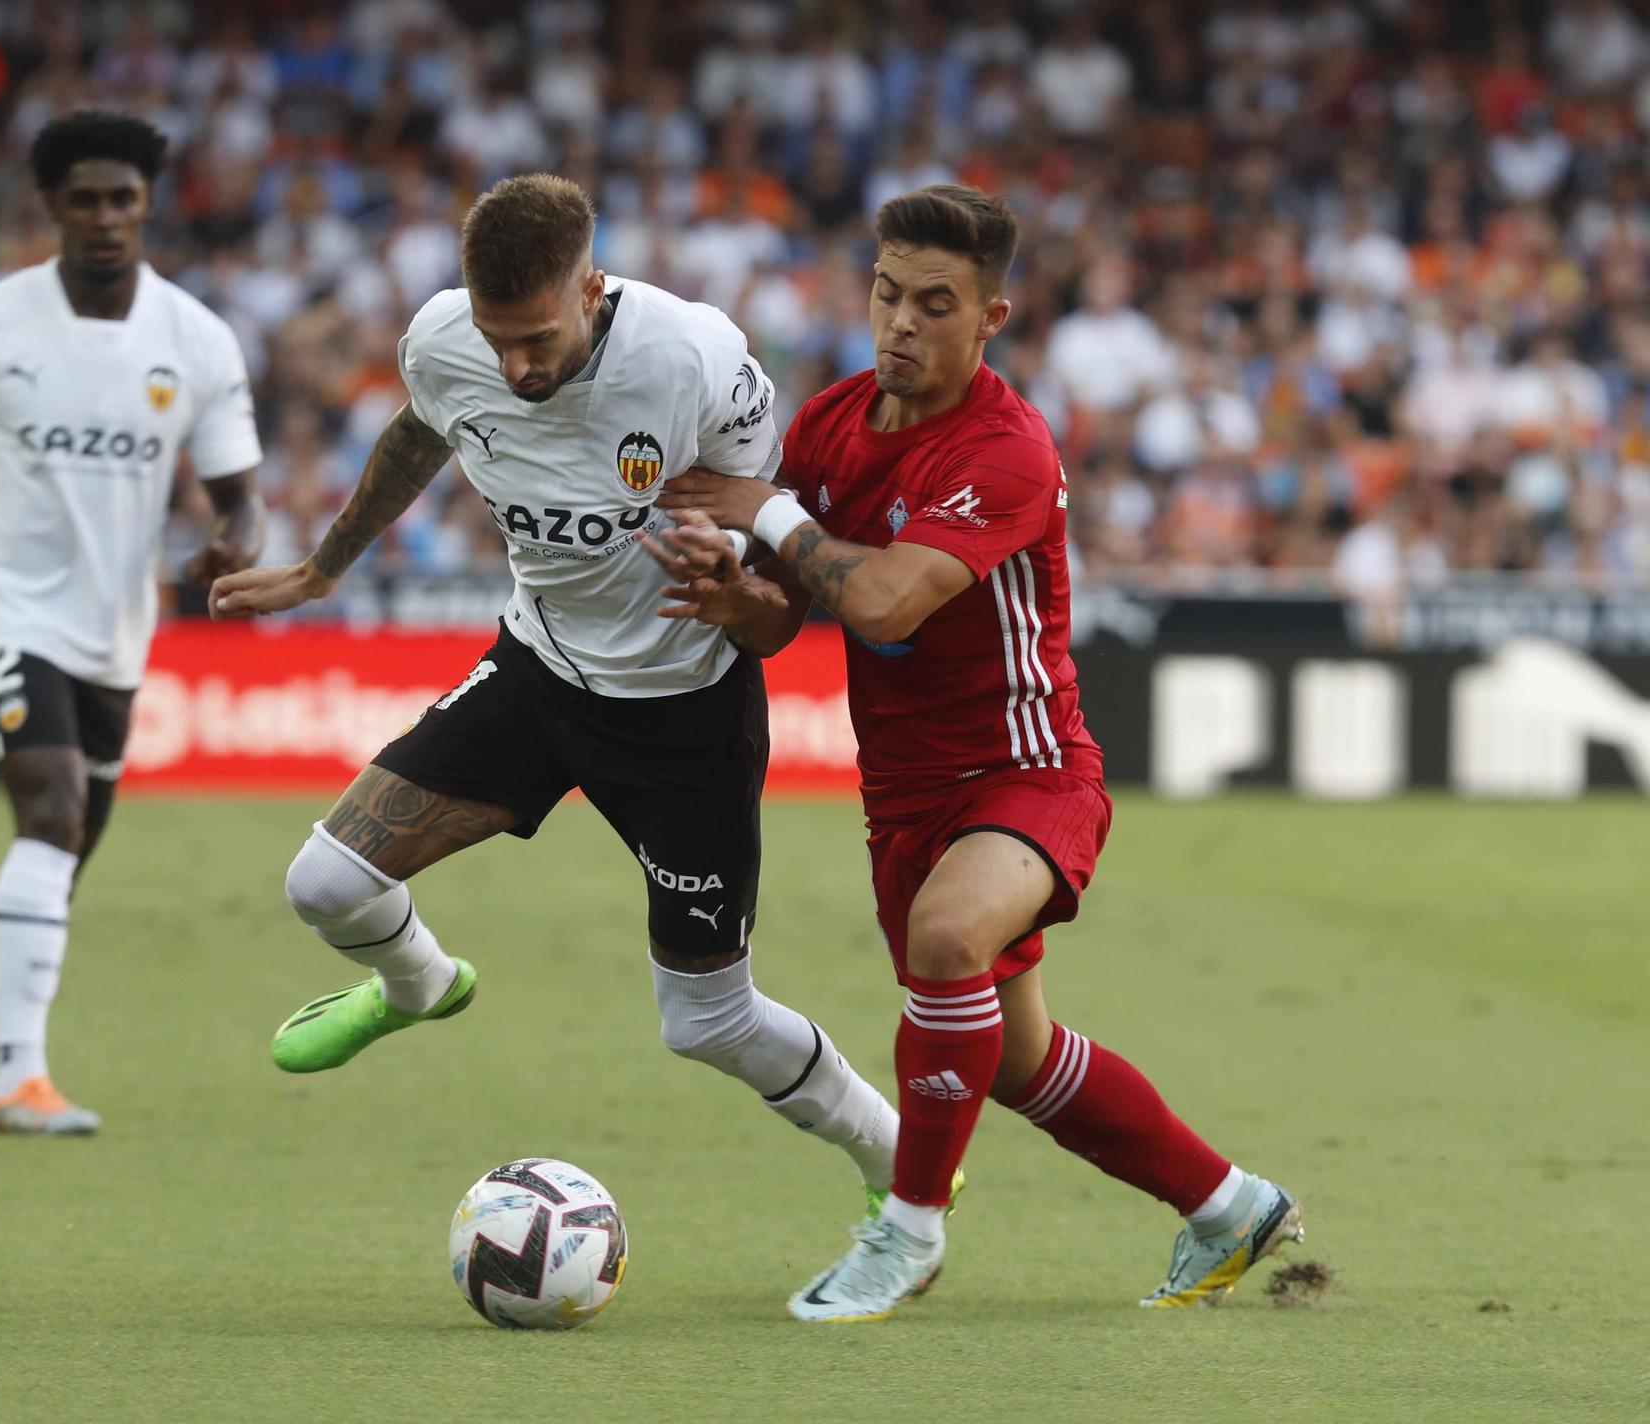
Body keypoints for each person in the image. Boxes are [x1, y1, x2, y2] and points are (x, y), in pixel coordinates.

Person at [653, 185, 1303, 1321]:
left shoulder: (1004, 448)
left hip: (1029, 771)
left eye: (934, 303)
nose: (900, 321)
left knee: (947, 939)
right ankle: (1228, 1203)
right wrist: (729, 599)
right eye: (886, 293)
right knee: (1011, 1057)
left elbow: (892, 601)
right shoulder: (829, 425)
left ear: (989, 316)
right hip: (901, 798)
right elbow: (785, 614)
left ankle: (902, 1233)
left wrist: (764, 511)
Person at [207, 173, 905, 1215]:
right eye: (497, 339)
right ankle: (419, 984)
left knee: (706, 1021)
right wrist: (322, 568)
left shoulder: (695, 362)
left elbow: (780, 611)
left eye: (535, 338)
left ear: (592, 287)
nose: (514, 365)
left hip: (685, 712)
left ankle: (898, 1163)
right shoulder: (445, 342)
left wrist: (735, 607)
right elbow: (421, 429)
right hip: (537, 675)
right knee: (323, 884)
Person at [0, 112, 263, 1135]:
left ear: (148, 203)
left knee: (59, 851)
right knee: (50, 812)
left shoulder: (195, 339)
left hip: (117, 625)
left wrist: (231, 542)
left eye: (123, 197)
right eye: (86, 198)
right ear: (52, 207)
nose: (107, 217)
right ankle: (20, 1075)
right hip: (8, 604)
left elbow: (239, 494)